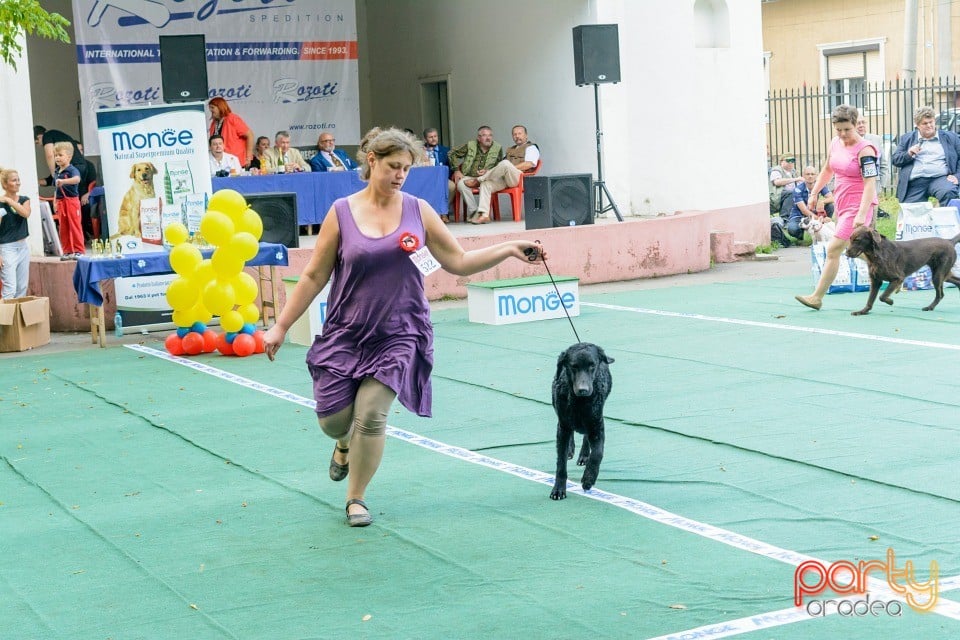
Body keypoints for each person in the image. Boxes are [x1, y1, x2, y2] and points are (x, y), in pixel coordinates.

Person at [261, 127, 546, 527]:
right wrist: (280, 327)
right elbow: (312, 276)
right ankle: (342, 444)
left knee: (373, 415)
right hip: (347, 330)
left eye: (407, 169)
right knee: (335, 422)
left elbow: (459, 261)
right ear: (372, 161)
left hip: (401, 330)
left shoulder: (418, 210)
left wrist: (511, 248)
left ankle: (355, 498)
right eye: (394, 166)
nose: (400, 175)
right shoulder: (341, 212)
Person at [796, 104, 878, 310]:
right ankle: (895, 269)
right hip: (842, 202)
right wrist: (814, 193)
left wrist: (861, 215)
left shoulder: (866, 150)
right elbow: (826, 170)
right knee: (863, 251)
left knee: (833, 249)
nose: (842, 134)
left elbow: (870, 184)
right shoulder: (835, 143)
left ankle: (817, 297)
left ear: (856, 124)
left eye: (846, 129)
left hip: (859, 205)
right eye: (838, 129)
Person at [465, 124, 540, 225]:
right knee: (486, 184)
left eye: (520, 133)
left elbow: (529, 164)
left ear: (526, 135)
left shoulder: (531, 148)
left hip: (520, 179)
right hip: (506, 179)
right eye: (514, 134)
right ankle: (484, 215)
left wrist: (509, 167)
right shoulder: (510, 149)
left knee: (505, 164)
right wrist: (488, 171)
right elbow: (499, 167)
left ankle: (478, 180)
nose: (517, 136)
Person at [34, 125, 97, 238]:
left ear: (39, 136)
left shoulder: (48, 135)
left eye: (37, 142)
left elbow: (49, 155)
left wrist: (55, 174)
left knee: (67, 204)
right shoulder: (59, 134)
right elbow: (49, 180)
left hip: (73, 168)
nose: (39, 145)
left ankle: (73, 235)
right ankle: (80, 234)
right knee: (73, 201)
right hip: (80, 168)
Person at [891, 105, 960, 206]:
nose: (929, 125)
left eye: (931, 122)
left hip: (940, 178)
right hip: (915, 181)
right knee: (911, 212)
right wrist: (909, 154)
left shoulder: (950, 137)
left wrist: (957, 176)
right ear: (917, 125)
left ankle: (946, 220)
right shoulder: (907, 139)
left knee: (949, 192)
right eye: (925, 123)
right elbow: (895, 160)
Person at [448, 126, 504, 222]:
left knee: (486, 184)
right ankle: (475, 212)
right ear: (478, 138)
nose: (488, 138)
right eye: (484, 135)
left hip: (487, 177)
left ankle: (481, 214)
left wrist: (488, 172)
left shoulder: (498, 148)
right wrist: (456, 170)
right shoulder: (470, 145)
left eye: (490, 135)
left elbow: (499, 166)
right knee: (461, 184)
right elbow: (451, 153)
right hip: (469, 176)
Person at [0, 168, 32, 299]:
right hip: (7, 249)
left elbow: (25, 213)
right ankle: (5, 319)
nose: (18, 183)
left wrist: (9, 201)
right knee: (10, 288)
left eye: (18, 180)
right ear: (5, 184)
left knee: (22, 288)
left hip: (23, 247)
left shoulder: (24, 199)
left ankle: (17, 319)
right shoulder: (1, 204)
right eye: (14, 180)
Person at [52, 142, 85, 260]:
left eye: (60, 155)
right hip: (61, 202)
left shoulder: (72, 170)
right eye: (55, 155)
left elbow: (77, 179)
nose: (57, 158)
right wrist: (55, 202)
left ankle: (79, 250)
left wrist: (64, 182)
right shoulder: (56, 172)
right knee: (63, 227)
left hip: (71, 201)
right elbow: (56, 189)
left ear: (69, 157)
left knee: (74, 225)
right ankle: (67, 251)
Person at [785, 165, 835, 243]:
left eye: (812, 174)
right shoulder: (798, 189)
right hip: (799, 215)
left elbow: (832, 198)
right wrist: (820, 219)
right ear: (803, 176)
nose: (810, 176)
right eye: (808, 174)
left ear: (816, 176)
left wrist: (822, 201)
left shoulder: (821, 186)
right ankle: (801, 237)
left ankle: (823, 229)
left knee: (830, 206)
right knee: (792, 229)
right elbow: (804, 211)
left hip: (814, 213)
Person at [207, 97, 254, 169]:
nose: (211, 110)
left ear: (220, 107)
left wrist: (248, 157)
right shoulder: (214, 123)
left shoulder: (232, 118)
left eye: (212, 107)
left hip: (236, 161)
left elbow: (250, 135)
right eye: (210, 108)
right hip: (220, 162)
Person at [422, 128, 452, 222]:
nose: (434, 139)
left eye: (435, 136)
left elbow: (451, 167)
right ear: (425, 139)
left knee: (452, 187)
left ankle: (444, 212)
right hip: (426, 179)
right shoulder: (420, 151)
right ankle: (432, 214)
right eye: (430, 137)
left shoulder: (446, 150)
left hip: (443, 179)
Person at [856, 116, 887, 188]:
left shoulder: (876, 139)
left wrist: (882, 185)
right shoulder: (848, 141)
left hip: (874, 184)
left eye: (863, 122)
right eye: (858, 123)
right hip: (855, 184)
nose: (861, 125)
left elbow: (883, 164)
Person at [769, 153, 802, 217]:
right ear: (781, 162)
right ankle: (785, 218)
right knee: (792, 193)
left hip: (789, 195)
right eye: (788, 160)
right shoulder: (776, 170)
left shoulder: (793, 172)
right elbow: (777, 182)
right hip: (777, 196)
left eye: (793, 160)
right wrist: (794, 179)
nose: (791, 163)